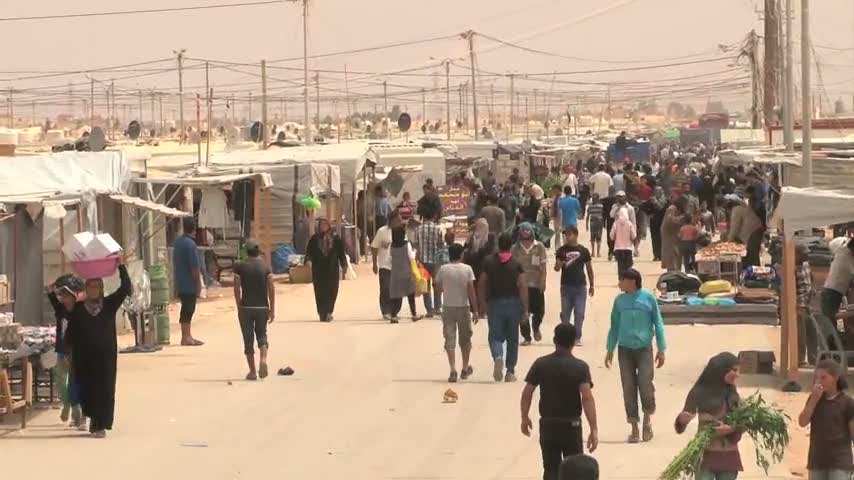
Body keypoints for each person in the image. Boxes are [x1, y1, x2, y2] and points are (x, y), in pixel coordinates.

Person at [521, 324, 598, 480]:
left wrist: (524, 417)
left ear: (555, 340)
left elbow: (527, 392)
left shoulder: (541, 364)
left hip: (548, 425)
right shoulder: (580, 367)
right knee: (576, 472)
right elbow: (587, 398)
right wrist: (593, 429)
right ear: (573, 342)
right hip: (571, 426)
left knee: (550, 470)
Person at [67, 260, 131, 437]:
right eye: (91, 286)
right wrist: (68, 353)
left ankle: (100, 425)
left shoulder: (109, 304)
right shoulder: (79, 309)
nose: (94, 289)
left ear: (101, 288)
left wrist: (121, 266)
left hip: (105, 356)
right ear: (87, 289)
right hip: (84, 357)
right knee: (88, 388)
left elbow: (126, 288)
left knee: (104, 389)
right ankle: (92, 419)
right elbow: (71, 331)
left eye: (97, 286)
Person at [605, 268, 666, 444]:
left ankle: (647, 420)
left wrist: (661, 349)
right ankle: (633, 427)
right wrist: (610, 349)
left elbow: (658, 323)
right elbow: (614, 325)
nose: (619, 283)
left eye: (622, 280)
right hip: (624, 350)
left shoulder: (648, 299)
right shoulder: (619, 301)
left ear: (632, 282)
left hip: (644, 349)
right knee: (629, 387)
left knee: (645, 384)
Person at [675, 352, 743, 480]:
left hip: (729, 457)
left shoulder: (733, 395)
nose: (738, 375)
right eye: (734, 370)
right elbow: (681, 424)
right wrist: (682, 420)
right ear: (721, 370)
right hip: (705, 456)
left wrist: (731, 429)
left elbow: (742, 423)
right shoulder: (698, 392)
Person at [479, 233, 528, 382]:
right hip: (513, 304)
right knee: (512, 338)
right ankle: (510, 371)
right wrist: (525, 309)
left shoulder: (488, 262)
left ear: (498, 245)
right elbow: (523, 286)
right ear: (511, 246)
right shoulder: (516, 263)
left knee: (495, 336)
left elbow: (481, 282)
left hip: (494, 303)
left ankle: (498, 356)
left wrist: (482, 302)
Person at [798, 359, 854, 480]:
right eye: (817, 378)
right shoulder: (814, 399)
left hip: (840, 461)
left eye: (823, 377)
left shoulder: (847, 402)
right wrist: (813, 400)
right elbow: (802, 422)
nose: (819, 381)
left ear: (836, 378)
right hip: (817, 460)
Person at [434, 243, 479, 383]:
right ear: (461, 255)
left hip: (448, 307)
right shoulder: (467, 269)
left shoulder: (443, 269)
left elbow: (438, 289)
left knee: (450, 340)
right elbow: (471, 291)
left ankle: (452, 369)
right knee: (465, 340)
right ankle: (465, 368)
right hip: (463, 307)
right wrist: (476, 310)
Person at [233, 239, 275, 381]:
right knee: (262, 335)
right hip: (262, 307)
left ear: (247, 251)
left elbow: (236, 288)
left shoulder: (240, 266)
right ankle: (263, 359)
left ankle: (252, 371)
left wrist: (239, 305)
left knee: (248, 339)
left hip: (246, 307)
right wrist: (272, 308)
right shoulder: (265, 266)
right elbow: (271, 287)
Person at [47, 275, 85, 429]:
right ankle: (67, 404)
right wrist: (54, 286)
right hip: (62, 351)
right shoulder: (60, 309)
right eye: (62, 295)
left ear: (74, 296)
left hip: (75, 352)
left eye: (67, 295)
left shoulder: (79, 311)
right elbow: (51, 295)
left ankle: (76, 413)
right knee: (61, 382)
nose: (64, 298)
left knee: (73, 385)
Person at [555, 226, 594, 344]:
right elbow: (556, 268)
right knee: (566, 315)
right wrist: (559, 264)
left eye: (569, 234)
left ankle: (577, 337)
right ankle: (566, 338)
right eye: (566, 235)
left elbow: (589, 268)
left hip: (580, 286)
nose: (567, 237)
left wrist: (592, 284)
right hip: (566, 286)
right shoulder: (561, 250)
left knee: (579, 313)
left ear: (576, 235)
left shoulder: (584, 251)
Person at [305, 218, 348, 322]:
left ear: (329, 226)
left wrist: (344, 265)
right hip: (318, 270)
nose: (323, 227)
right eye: (321, 225)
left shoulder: (335, 238)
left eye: (325, 224)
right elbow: (309, 253)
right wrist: (308, 261)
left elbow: (341, 253)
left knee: (332, 290)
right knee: (320, 292)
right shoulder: (314, 239)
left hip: (332, 269)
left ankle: (329, 312)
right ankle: (322, 312)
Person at [512, 222, 548, 344]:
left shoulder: (540, 247)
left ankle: (536, 327)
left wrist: (543, 282)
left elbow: (543, 266)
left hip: (536, 284)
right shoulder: (515, 249)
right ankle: (526, 337)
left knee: (539, 311)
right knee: (522, 312)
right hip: (521, 286)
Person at [173, 217, 204, 346]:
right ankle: (186, 337)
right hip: (189, 283)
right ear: (194, 229)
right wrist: (198, 284)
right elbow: (194, 267)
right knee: (188, 309)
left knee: (186, 308)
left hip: (180, 281)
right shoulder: (190, 244)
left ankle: (187, 336)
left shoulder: (178, 242)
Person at [371, 212, 401, 320]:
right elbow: (374, 247)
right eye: (398, 219)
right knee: (385, 288)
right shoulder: (382, 231)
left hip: (398, 265)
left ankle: (395, 310)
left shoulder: (402, 231)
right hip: (384, 265)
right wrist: (374, 263)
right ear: (392, 220)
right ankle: (386, 310)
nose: (400, 221)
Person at [414, 213, 444, 317]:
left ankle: (429, 310)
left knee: (425, 286)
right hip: (435, 262)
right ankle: (437, 308)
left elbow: (416, 246)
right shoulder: (438, 229)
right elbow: (441, 246)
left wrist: (416, 260)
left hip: (422, 262)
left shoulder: (418, 229)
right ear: (434, 215)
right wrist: (442, 263)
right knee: (437, 285)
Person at [389, 226, 419, 322]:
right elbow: (411, 257)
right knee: (410, 294)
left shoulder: (392, 246)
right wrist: (415, 251)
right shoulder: (407, 245)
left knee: (396, 296)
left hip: (395, 274)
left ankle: (393, 316)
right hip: (406, 273)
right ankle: (414, 315)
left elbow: (389, 259)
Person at [821, 238, 854, 325]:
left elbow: (831, 244)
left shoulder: (841, 246)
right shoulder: (847, 260)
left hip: (833, 291)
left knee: (832, 320)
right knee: (830, 321)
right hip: (832, 292)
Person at [727, 193, 764, 267]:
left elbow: (735, 228)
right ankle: (753, 271)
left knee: (752, 256)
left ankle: (754, 273)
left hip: (753, 232)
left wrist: (728, 241)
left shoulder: (737, 210)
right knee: (753, 255)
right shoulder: (743, 207)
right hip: (757, 229)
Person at [795, 244, 816, 366]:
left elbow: (811, 278)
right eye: (803, 253)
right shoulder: (792, 268)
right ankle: (800, 360)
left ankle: (813, 359)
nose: (806, 255)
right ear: (796, 254)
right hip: (799, 304)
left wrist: (812, 289)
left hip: (808, 304)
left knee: (812, 333)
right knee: (801, 335)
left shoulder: (806, 265)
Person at [464, 218, 496, 291]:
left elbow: (487, 251)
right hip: (473, 267)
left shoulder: (490, 237)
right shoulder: (471, 236)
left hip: (484, 267)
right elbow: (465, 249)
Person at [661, 197, 688, 271]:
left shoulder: (678, 210)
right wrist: (682, 218)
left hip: (675, 234)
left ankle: (676, 270)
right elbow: (670, 221)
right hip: (669, 233)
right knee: (671, 253)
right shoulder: (671, 209)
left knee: (677, 253)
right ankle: (672, 270)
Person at [610, 209, 636, 274]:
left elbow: (611, 236)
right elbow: (634, 236)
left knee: (620, 266)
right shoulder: (629, 224)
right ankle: (627, 280)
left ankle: (621, 280)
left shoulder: (615, 223)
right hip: (628, 248)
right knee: (628, 266)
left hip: (618, 248)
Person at [648, 186, 668, 262]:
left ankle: (662, 255)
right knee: (654, 238)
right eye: (655, 191)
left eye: (658, 191)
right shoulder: (652, 198)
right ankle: (656, 255)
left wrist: (655, 202)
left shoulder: (665, 199)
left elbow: (660, 207)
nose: (656, 192)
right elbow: (647, 207)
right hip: (654, 221)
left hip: (662, 221)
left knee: (662, 238)